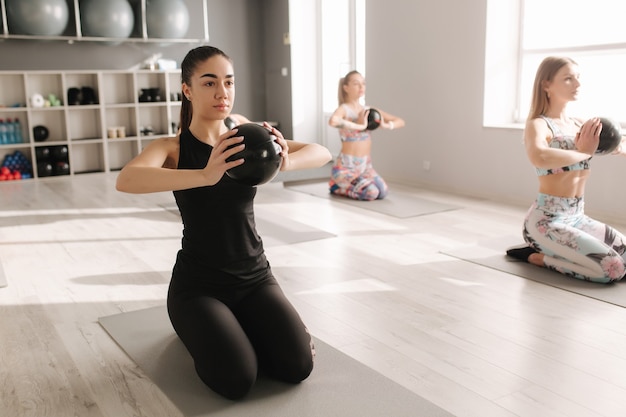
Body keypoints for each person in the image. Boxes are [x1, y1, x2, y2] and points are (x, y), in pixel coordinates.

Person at [115, 45, 332, 400]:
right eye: (209, 82)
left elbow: (322, 152)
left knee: (297, 367)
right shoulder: (173, 148)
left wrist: (285, 161)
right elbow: (127, 180)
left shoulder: (242, 133)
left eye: (229, 82)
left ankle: (241, 327)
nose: (222, 93)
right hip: (199, 288)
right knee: (237, 380)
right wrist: (204, 174)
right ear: (187, 90)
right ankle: (200, 329)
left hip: (255, 277)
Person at [506, 56, 626, 283]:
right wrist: (584, 153)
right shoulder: (538, 124)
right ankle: (536, 257)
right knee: (613, 269)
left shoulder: (579, 125)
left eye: (578, 78)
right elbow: (539, 156)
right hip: (547, 221)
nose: (578, 84)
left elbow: (618, 146)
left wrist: (617, 147)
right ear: (546, 84)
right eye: (569, 79)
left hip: (577, 217)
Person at [327, 70, 405, 201]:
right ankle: (336, 185)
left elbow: (400, 121)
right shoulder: (344, 109)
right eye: (356, 84)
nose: (361, 87)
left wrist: (387, 125)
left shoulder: (369, 111)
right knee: (371, 193)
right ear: (346, 87)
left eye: (363, 83)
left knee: (383, 192)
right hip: (346, 168)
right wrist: (360, 126)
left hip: (365, 167)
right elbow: (333, 121)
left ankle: (351, 184)